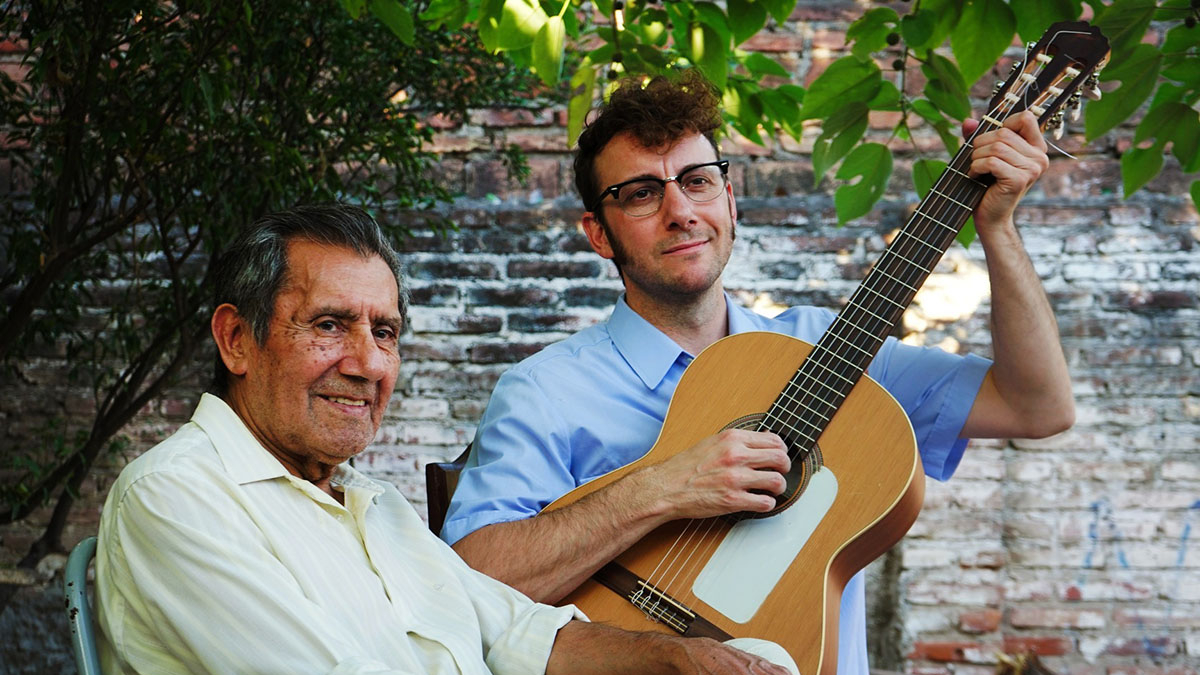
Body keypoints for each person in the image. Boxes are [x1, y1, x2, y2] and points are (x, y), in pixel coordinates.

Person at [440, 71, 1076, 674]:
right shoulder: (546, 391)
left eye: (697, 180)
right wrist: (664, 487)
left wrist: (998, 228)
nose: (680, 211)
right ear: (599, 234)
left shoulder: (832, 349)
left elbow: (1037, 407)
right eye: (640, 193)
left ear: (729, 198)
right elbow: (465, 587)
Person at [94, 203, 796, 675]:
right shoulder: (177, 495)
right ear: (237, 340)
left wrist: (672, 658)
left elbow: (515, 627)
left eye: (386, 333)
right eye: (330, 324)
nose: (368, 363)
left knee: (758, 657)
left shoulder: (370, 502)